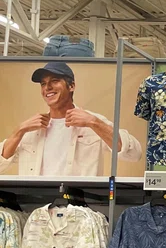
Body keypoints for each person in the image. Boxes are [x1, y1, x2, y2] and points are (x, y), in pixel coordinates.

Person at [0, 61, 142, 176]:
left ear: (71, 86)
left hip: (78, 208)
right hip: (37, 207)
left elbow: (134, 154)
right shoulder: (32, 128)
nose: (47, 87)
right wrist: (19, 131)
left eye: (54, 81)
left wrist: (94, 123)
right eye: (43, 83)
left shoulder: (92, 121)